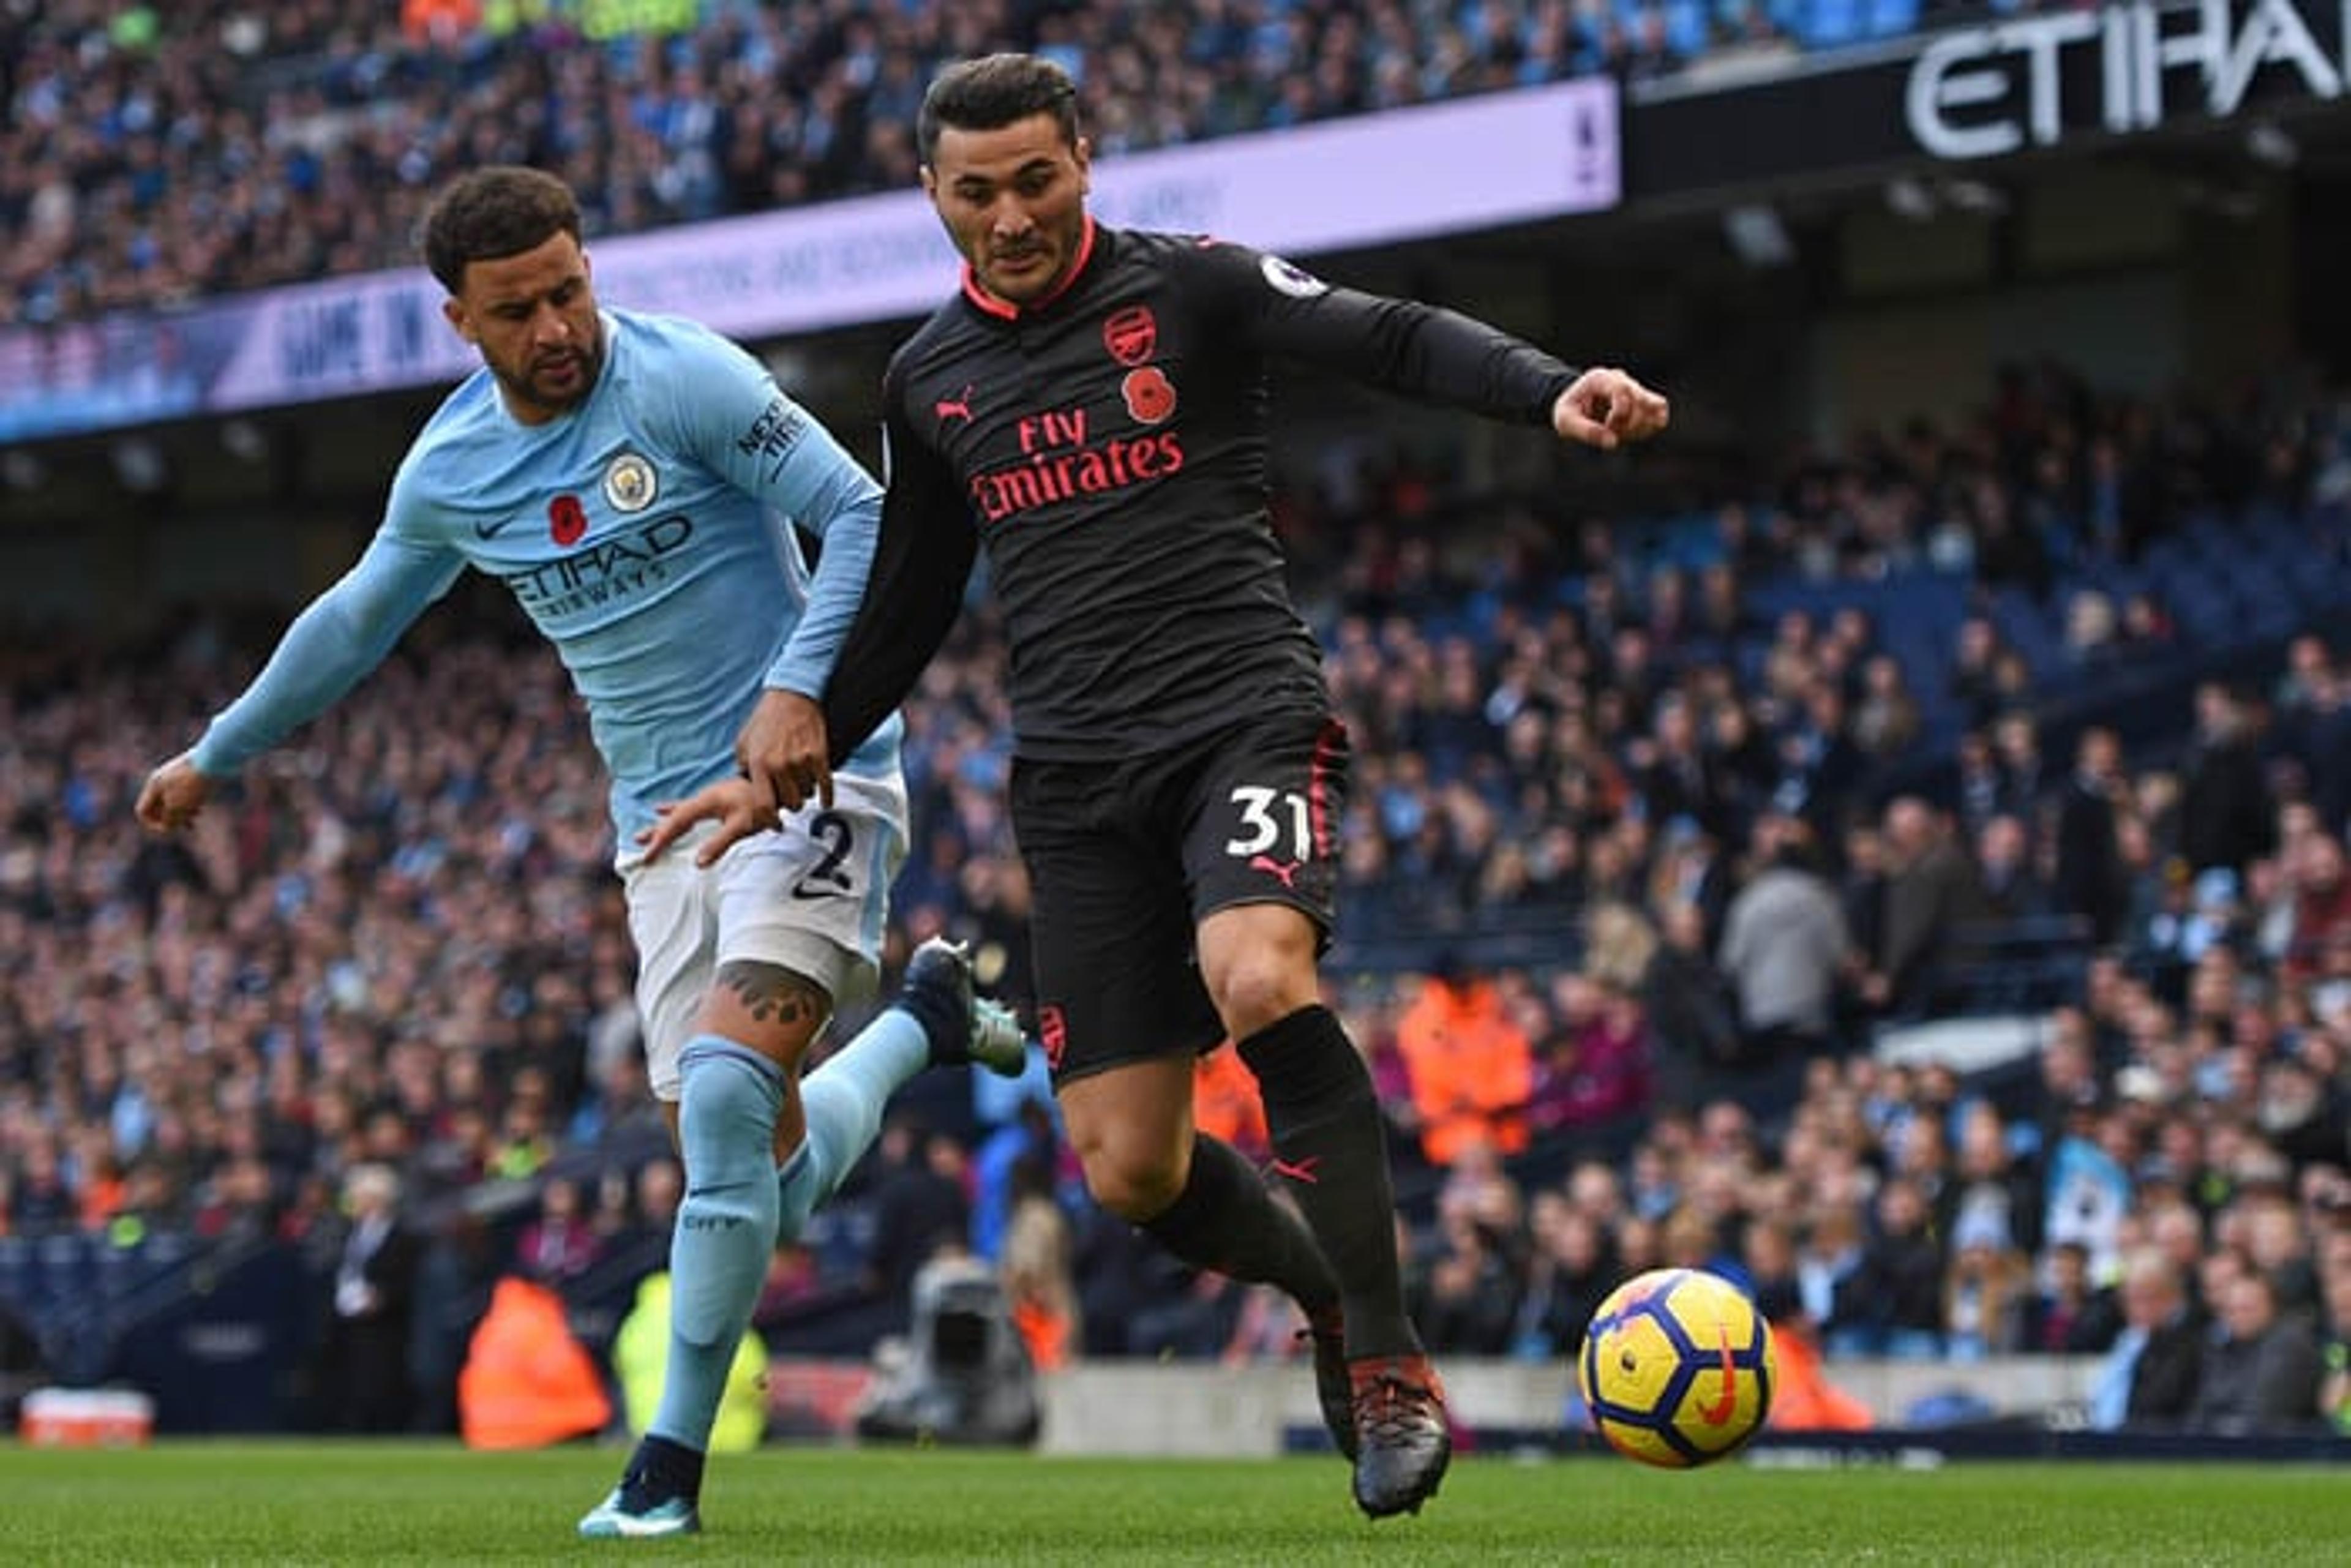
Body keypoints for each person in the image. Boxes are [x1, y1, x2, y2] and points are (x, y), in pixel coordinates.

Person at [646, 53, 1668, 1518]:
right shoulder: (928, 379)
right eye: (976, 192)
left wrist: (1552, 387)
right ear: (933, 196)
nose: (1010, 217)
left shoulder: (1190, 287)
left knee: (1259, 977)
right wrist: (795, 726)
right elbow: (919, 596)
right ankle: (1331, 1297)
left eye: (1036, 180)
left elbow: (1385, 337)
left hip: (1242, 716)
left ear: (1086, 159)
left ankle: (1385, 1366)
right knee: (1129, 1172)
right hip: (1075, 783)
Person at [130, 166, 1026, 1540]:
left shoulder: (685, 383)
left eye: (568, 288)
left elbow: (865, 514)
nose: (558, 325)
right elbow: (356, 619)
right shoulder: (453, 471)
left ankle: (662, 1477)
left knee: (725, 1100)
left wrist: (801, 695)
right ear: (460, 323)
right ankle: (925, 1020)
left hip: (813, 771)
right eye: (520, 308)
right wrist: (217, 753)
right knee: (759, 1188)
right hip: (659, 832)